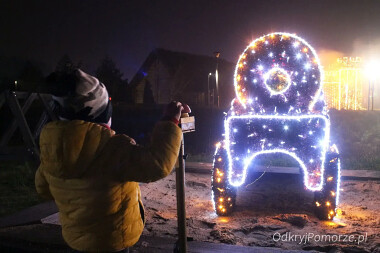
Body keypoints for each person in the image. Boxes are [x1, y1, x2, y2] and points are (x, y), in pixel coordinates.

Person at [35, 68, 190, 252]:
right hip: (114, 240)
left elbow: (43, 189)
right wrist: (169, 122)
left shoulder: (51, 151)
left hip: (76, 240)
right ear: (100, 114)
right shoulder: (113, 148)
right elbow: (157, 164)